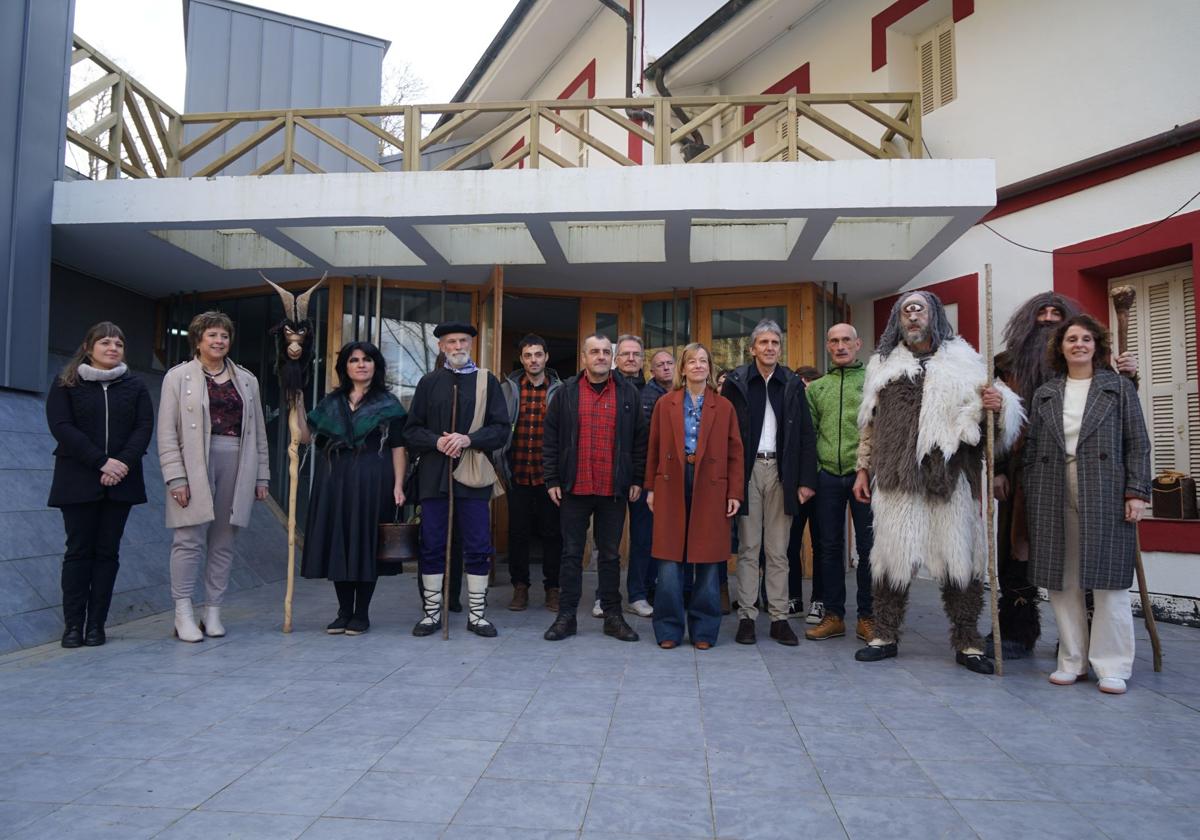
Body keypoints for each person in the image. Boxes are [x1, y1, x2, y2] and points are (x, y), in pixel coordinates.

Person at [852, 292, 1022, 673]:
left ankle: (967, 640)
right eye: (906, 311)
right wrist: (863, 469)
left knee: (959, 560)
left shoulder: (964, 362)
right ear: (898, 320)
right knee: (890, 559)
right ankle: (884, 634)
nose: (913, 317)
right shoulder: (882, 365)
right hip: (896, 476)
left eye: (920, 310)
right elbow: (870, 426)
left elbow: (989, 424)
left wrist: (998, 406)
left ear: (934, 317)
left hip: (949, 474)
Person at [992, 293, 1137, 658]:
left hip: (1087, 474)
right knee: (1017, 554)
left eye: (1057, 314)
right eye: (1042, 313)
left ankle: (1084, 641)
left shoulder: (1098, 364)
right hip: (1025, 471)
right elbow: (999, 425)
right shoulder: (1005, 364)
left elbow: (1121, 419)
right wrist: (997, 469)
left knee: (1083, 553)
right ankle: (1016, 631)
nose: (1049, 318)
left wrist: (1131, 377)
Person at [1024, 314, 1150, 694]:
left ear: (1097, 346)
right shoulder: (1046, 393)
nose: (1079, 344)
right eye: (1071, 339)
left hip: (1106, 490)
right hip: (1052, 488)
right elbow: (1032, 448)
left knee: (1109, 581)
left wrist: (1137, 492)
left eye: (1086, 339)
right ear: (1060, 348)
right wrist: (1032, 485)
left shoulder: (1118, 387)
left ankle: (1112, 666)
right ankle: (1072, 660)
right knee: (1062, 580)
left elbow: (1138, 443)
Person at [159, 311, 270, 642]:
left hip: (237, 463)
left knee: (224, 541)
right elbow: (166, 432)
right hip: (194, 464)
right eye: (212, 335)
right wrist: (175, 478)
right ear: (198, 339)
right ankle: (183, 612)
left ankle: (213, 610)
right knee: (187, 539)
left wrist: (261, 476)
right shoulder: (177, 377)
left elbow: (259, 432)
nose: (219, 341)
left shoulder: (248, 380)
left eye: (224, 336)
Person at [46, 322, 153, 647]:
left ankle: (96, 626)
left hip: (120, 481)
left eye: (118, 344)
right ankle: (73, 627)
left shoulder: (135, 386)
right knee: (78, 552)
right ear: (88, 347)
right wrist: (101, 462)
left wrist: (120, 464)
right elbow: (61, 426)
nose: (112, 348)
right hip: (77, 479)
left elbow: (143, 427)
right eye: (105, 343)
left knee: (108, 553)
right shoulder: (67, 383)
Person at [405, 321, 509, 638]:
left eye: (463, 340)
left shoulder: (486, 382)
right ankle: (431, 613)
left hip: (472, 476)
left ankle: (477, 615)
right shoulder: (428, 382)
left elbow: (501, 429)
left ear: (470, 344)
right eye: (451, 341)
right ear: (441, 347)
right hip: (434, 476)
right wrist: (436, 441)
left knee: (478, 545)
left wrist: (468, 439)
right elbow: (411, 430)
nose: (458, 346)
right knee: (432, 544)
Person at [543, 333, 647, 643]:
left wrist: (637, 479)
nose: (601, 356)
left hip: (613, 488)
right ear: (584, 358)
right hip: (575, 486)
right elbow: (551, 439)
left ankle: (613, 617)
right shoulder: (565, 394)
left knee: (611, 556)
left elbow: (640, 441)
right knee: (571, 554)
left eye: (605, 352)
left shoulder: (628, 393)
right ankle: (566, 617)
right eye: (595, 352)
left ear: (611, 358)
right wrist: (552, 479)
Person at [298, 341, 407, 635]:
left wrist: (399, 484)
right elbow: (306, 437)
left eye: (367, 359)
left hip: (374, 477)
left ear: (376, 366)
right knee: (339, 542)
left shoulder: (389, 404)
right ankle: (343, 611)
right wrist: (295, 400)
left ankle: (361, 614)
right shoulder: (330, 403)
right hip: (334, 478)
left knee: (366, 543)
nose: (361, 364)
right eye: (354, 360)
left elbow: (398, 447)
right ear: (345, 366)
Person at [721, 319, 817, 646]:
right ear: (752, 349)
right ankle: (747, 616)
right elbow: (725, 436)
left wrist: (805, 480)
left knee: (778, 551)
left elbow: (806, 434)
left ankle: (778, 619)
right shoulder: (736, 383)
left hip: (782, 472)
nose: (770, 348)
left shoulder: (791, 383)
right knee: (748, 549)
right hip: (747, 472)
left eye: (775, 342)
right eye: (763, 342)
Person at [644, 343, 743, 649]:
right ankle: (669, 628)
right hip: (671, 481)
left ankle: (703, 630)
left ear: (710, 368)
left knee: (710, 560)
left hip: (712, 484)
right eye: (692, 361)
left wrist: (734, 492)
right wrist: (650, 487)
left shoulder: (723, 406)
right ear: (682, 368)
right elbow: (654, 448)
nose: (698, 365)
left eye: (704, 361)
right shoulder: (666, 403)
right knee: (669, 559)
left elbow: (735, 453)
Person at [804, 325, 874, 643]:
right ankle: (833, 616)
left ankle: (868, 617)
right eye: (834, 341)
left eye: (847, 340)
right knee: (829, 548)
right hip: (827, 477)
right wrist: (816, 472)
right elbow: (809, 434)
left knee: (868, 548)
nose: (841, 346)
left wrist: (867, 469)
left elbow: (879, 430)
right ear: (828, 346)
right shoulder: (816, 389)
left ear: (857, 344)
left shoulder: (872, 384)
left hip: (865, 476)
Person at [498, 334, 563, 612]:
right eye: (528, 355)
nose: (533, 360)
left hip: (550, 478)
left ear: (546, 357)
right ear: (521, 359)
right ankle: (520, 587)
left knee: (553, 534)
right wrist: (499, 462)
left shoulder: (561, 390)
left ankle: (553, 589)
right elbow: (497, 426)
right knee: (518, 534)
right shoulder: (508, 389)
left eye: (538, 354)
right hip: (518, 474)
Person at [626, 348, 675, 615]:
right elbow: (646, 444)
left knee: (662, 538)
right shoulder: (647, 396)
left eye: (670, 363)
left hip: (672, 480)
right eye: (660, 365)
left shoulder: (679, 393)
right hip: (649, 480)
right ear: (652, 371)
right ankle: (638, 593)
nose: (666, 368)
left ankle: (656, 590)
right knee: (644, 538)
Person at [789, 364, 822, 623]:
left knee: (821, 544)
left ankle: (819, 600)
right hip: (794, 481)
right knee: (789, 543)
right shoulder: (791, 404)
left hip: (822, 481)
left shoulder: (822, 400)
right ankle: (793, 597)